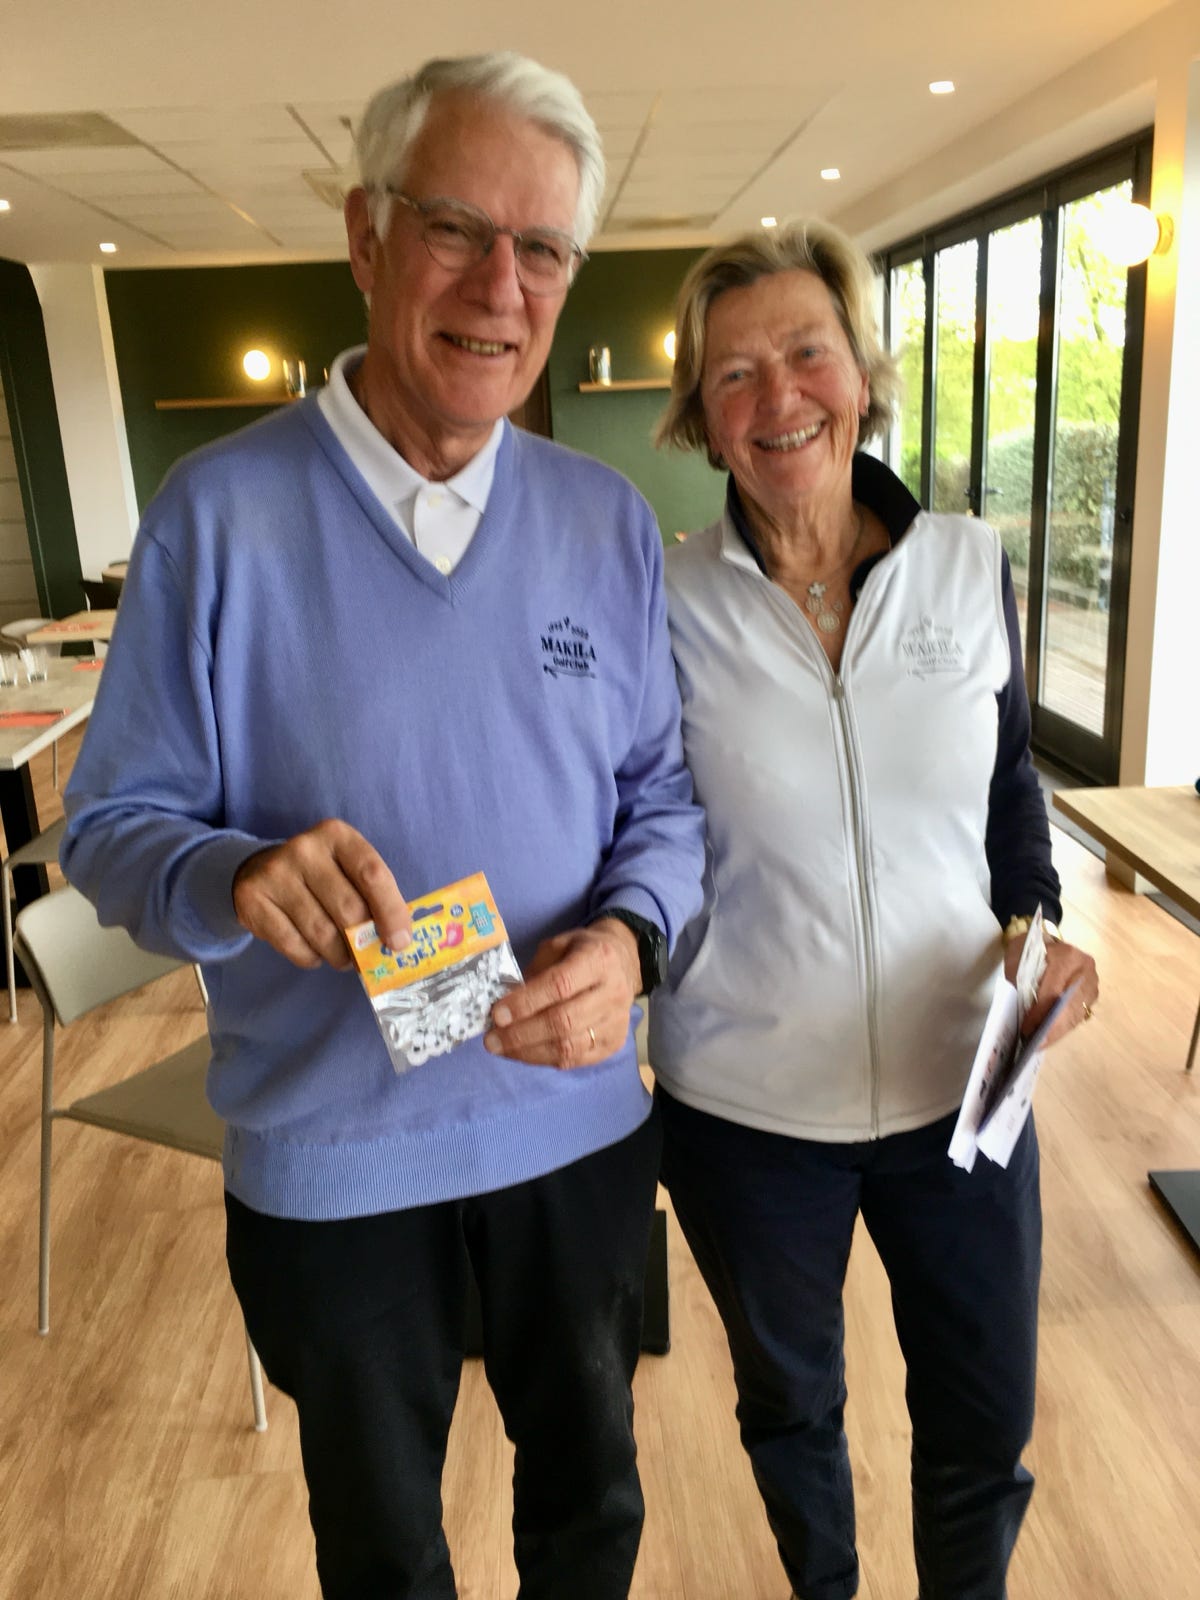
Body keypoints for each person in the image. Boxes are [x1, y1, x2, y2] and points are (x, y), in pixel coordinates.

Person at [60, 51, 705, 1600]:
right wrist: (230, 873)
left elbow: (664, 804)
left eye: (543, 248)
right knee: (382, 1553)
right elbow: (109, 829)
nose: (501, 287)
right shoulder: (215, 516)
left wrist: (633, 942)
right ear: (365, 235)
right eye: (456, 229)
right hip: (333, 1165)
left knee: (592, 1510)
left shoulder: (605, 523)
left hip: (576, 1137)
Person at [648, 221, 1099, 1600]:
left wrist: (1036, 927)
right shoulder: (664, 598)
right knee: (793, 1414)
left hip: (964, 1086)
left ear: (862, 374)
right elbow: (638, 824)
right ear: (701, 413)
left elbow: (1007, 789)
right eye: (735, 373)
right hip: (746, 1111)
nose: (778, 397)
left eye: (807, 354)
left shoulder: (968, 563)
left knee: (983, 1420)